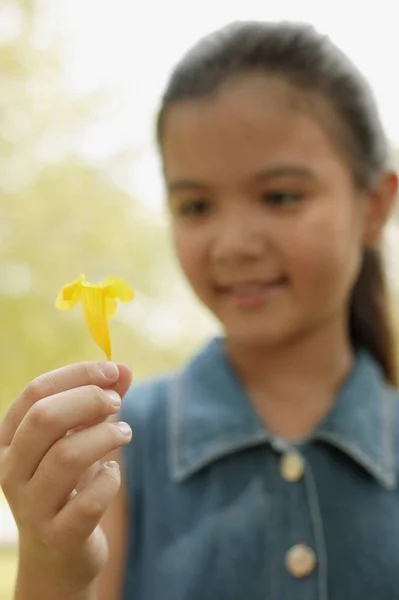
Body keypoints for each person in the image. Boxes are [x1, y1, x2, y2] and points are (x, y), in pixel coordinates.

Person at [1, 20, 398, 600]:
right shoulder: (118, 443)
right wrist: (54, 562)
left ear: (374, 207)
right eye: (195, 206)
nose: (234, 243)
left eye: (280, 196)